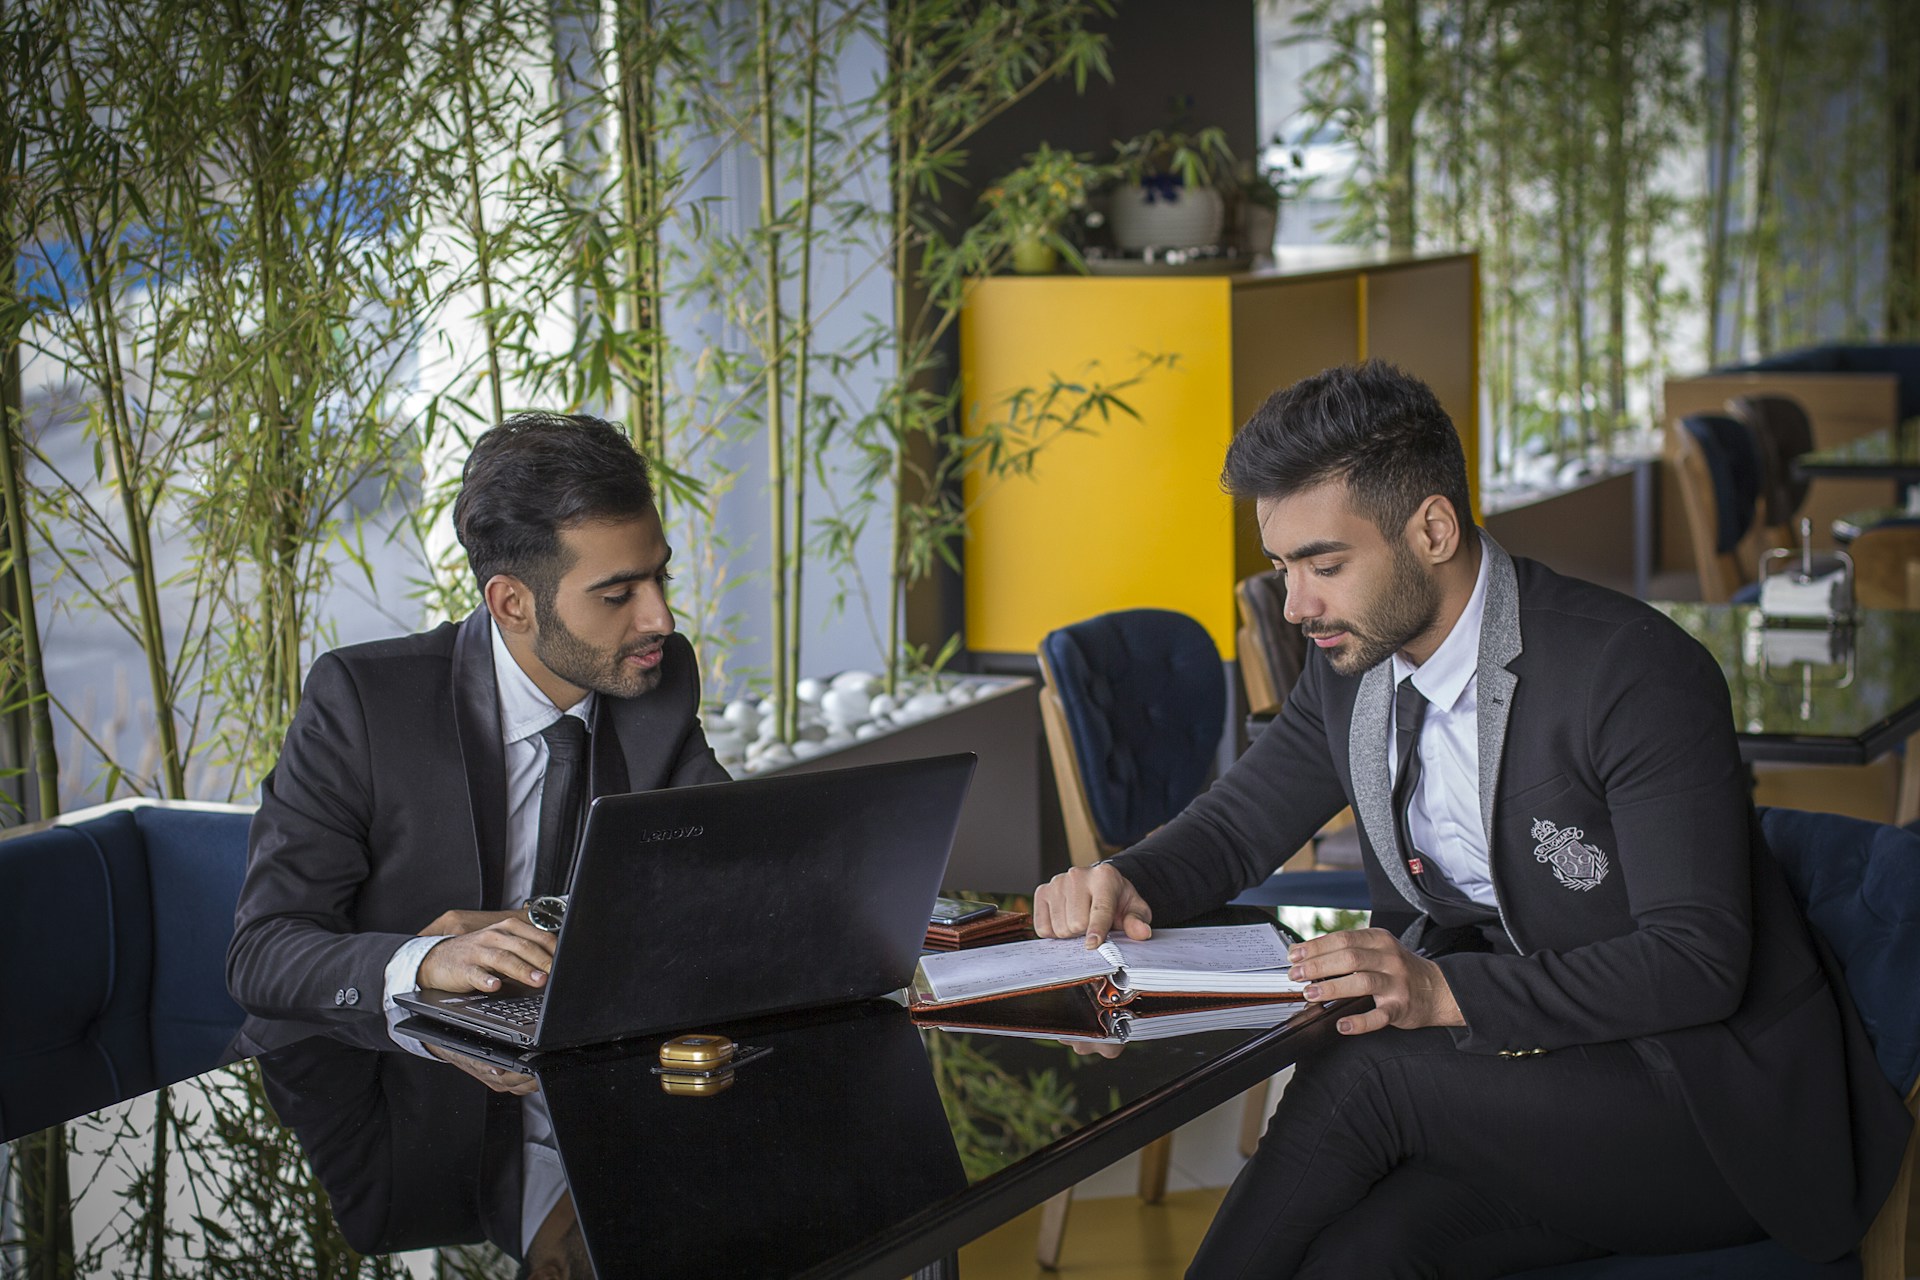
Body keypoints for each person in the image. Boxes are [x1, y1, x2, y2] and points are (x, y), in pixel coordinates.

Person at [1032, 362, 1909, 1276]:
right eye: (1284, 568)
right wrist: (1122, 881)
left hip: (1713, 1105)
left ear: (1434, 528)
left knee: (1365, 1071)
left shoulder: (1633, 672)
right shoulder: (1352, 670)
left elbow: (1697, 962)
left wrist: (1442, 992)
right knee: (1365, 1255)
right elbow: (1232, 830)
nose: (1296, 607)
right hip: (1538, 1085)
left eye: (1326, 565)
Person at [228, 412, 728, 1026]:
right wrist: (427, 960)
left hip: (566, 1051)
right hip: (371, 1078)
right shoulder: (364, 704)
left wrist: (559, 920)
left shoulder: (656, 678)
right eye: (618, 595)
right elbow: (263, 953)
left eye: (661, 576)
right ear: (511, 603)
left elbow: (730, 876)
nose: (661, 619)